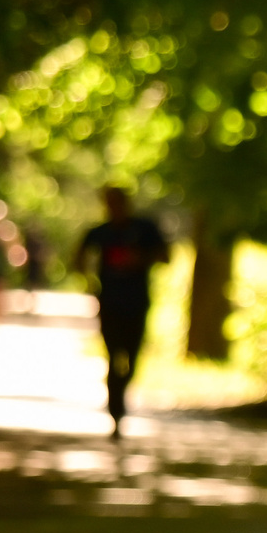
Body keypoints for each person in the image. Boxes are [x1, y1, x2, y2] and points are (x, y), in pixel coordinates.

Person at [76, 187, 171, 437]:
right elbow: (79, 256)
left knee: (131, 360)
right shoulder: (101, 232)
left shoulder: (144, 229)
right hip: (109, 304)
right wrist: (90, 284)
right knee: (112, 357)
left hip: (137, 303)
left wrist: (140, 259)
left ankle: (119, 401)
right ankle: (115, 413)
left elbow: (165, 255)